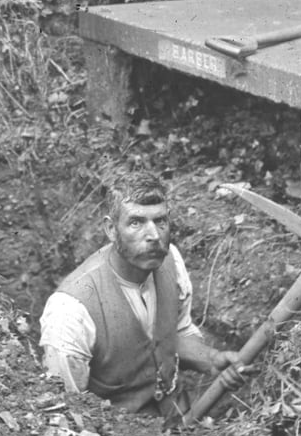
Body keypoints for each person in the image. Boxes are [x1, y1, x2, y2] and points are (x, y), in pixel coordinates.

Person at [39, 170, 248, 418]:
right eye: (136, 222)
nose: (154, 236)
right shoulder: (71, 309)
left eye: (160, 221)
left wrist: (212, 359)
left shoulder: (171, 262)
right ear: (110, 228)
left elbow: (174, 334)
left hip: (177, 420)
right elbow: (69, 412)